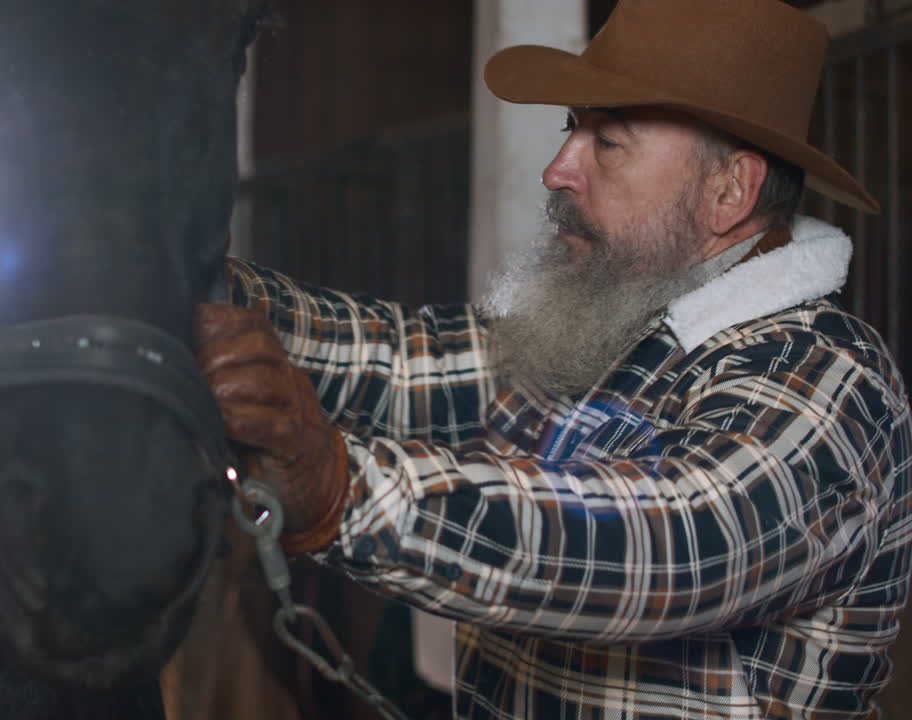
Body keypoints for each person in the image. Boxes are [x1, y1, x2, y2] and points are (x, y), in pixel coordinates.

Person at [194, 0, 912, 717]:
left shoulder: (827, 381)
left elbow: (665, 545)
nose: (557, 170)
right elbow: (400, 360)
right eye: (574, 128)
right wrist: (191, 281)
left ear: (729, 190)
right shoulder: (616, 329)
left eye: (610, 142)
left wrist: (339, 488)